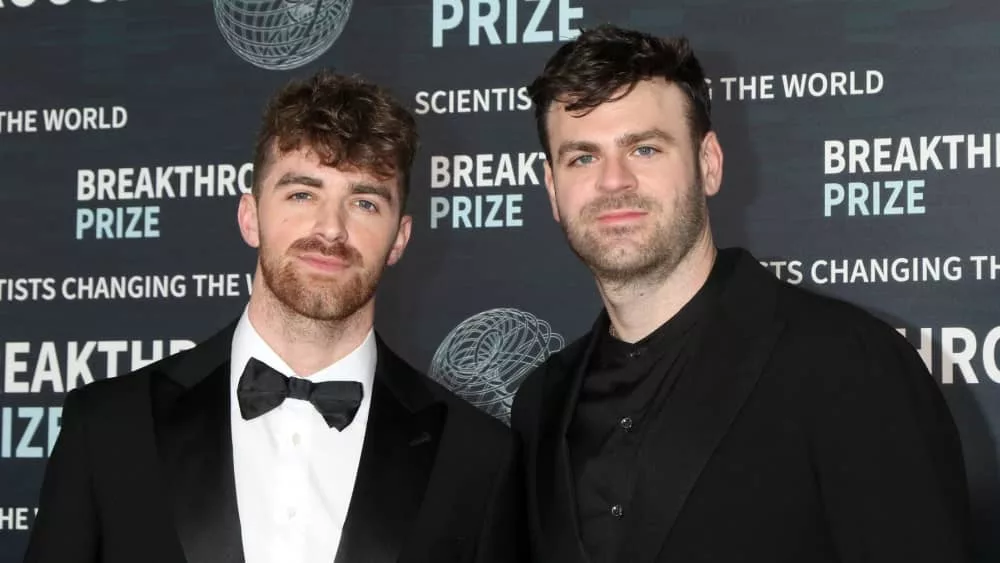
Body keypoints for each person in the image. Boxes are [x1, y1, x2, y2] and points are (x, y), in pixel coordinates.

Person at [511, 24, 971, 563]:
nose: (614, 181)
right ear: (551, 189)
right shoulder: (540, 403)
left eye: (645, 149)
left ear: (709, 163)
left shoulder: (847, 361)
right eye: (583, 158)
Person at [25, 70, 520, 563]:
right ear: (249, 216)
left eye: (365, 202)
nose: (330, 228)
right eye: (302, 194)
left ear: (401, 239)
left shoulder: (475, 458)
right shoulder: (110, 426)